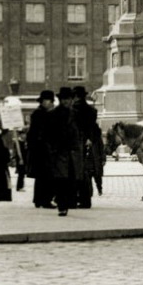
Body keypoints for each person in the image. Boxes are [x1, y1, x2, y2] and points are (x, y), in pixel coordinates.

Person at [46, 87, 84, 217]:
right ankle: (62, 205)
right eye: (63, 99)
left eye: (68, 99)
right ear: (60, 100)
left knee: (71, 179)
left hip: (72, 152)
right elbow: (48, 134)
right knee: (61, 179)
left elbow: (79, 132)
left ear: (72, 100)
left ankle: (66, 202)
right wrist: (53, 149)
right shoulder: (53, 114)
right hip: (59, 152)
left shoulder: (75, 114)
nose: (66, 101)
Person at [72, 86, 103, 208]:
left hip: (76, 144)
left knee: (75, 172)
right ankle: (85, 199)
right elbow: (95, 130)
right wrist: (90, 139)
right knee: (85, 173)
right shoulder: (91, 111)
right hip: (88, 144)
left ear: (75, 97)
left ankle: (75, 198)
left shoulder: (73, 110)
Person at [26, 90, 56, 209]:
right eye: (46, 100)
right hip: (43, 149)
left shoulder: (39, 113)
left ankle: (39, 200)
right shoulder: (42, 114)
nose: (48, 103)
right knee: (47, 176)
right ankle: (45, 200)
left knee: (41, 176)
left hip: (39, 149)